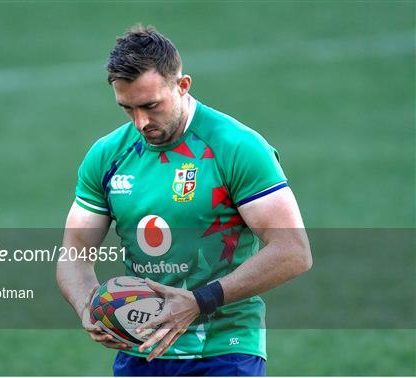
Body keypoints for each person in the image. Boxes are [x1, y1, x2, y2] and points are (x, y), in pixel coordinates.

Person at [57, 24, 312, 376]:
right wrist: (88, 306)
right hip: (142, 351)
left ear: (182, 85)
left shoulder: (235, 147)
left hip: (225, 350)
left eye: (151, 106)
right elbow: (75, 251)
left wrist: (198, 302)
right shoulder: (107, 155)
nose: (141, 122)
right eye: (127, 108)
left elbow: (293, 251)